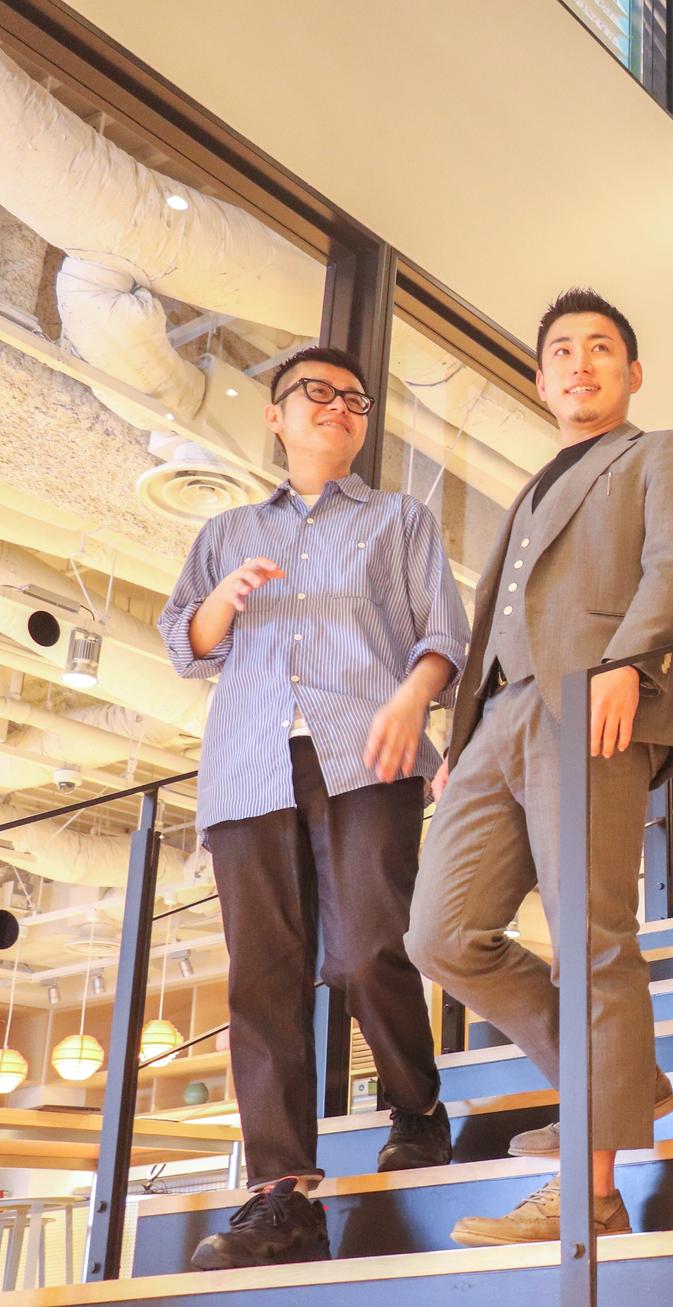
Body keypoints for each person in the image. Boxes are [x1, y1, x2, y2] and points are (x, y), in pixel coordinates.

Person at [406, 288, 673, 1246]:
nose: (580, 362)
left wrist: (629, 661)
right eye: (561, 352)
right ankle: (620, 1083)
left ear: (632, 371)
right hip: (494, 721)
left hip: (591, 705)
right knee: (440, 935)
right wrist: (460, 739)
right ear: (541, 380)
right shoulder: (533, 487)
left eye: (600, 347)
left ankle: (591, 1193)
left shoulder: (663, 451)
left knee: (592, 938)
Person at [159, 345, 469, 1269]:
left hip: (368, 752)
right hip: (248, 767)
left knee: (370, 944)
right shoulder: (225, 531)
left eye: (355, 399)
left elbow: (444, 634)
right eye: (317, 393)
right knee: (263, 976)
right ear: (277, 416)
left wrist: (412, 700)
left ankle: (416, 1105)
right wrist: (220, 602)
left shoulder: (400, 520)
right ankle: (282, 1194)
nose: (339, 407)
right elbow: (184, 642)